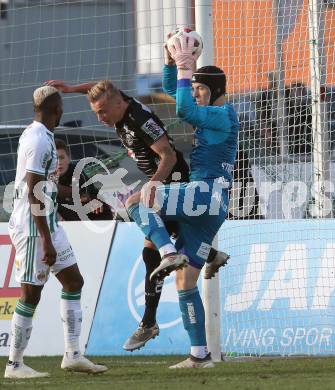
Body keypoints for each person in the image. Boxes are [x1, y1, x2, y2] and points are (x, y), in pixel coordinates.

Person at [45, 78, 229, 352]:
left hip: (173, 179)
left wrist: (153, 185)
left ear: (119, 103)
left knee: (149, 243)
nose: (101, 118)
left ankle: (149, 322)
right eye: (97, 113)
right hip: (163, 182)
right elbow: (102, 87)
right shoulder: (117, 103)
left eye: (103, 112)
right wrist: (73, 89)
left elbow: (167, 155)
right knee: (155, 249)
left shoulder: (139, 119)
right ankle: (207, 256)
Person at [125, 35, 239, 368]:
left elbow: (183, 106)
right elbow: (177, 93)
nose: (196, 94)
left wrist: (188, 68)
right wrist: (172, 63)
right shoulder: (214, 112)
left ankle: (168, 252)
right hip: (213, 209)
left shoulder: (222, 116)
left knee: (137, 199)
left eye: (202, 89)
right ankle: (199, 355)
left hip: (203, 194)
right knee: (186, 281)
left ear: (215, 91)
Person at [4, 86, 107, 379]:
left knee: (74, 281)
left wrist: (79, 196)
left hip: (48, 222)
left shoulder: (42, 135)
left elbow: (46, 185)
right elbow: (35, 191)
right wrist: (46, 241)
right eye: (61, 106)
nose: (63, 111)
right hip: (35, 227)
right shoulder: (37, 140)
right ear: (55, 109)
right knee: (30, 294)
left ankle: (73, 355)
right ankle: (14, 365)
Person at [55, 138, 114, 221]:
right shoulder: (49, 175)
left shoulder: (77, 173)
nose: (59, 162)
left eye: (61, 158)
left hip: (98, 219)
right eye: (55, 158)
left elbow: (85, 199)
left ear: (68, 159)